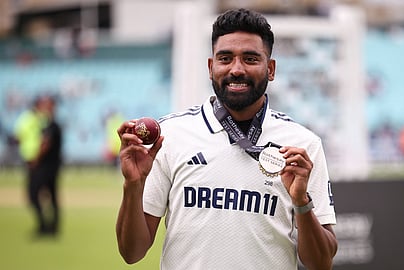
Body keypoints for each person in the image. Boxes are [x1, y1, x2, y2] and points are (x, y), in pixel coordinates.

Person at [116, 8, 337, 270]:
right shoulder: (171, 135)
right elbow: (132, 253)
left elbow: (321, 263)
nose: (236, 69)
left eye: (251, 59)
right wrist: (133, 185)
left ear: (271, 69)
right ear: (211, 67)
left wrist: (302, 202)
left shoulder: (303, 145)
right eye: (225, 58)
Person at [14, 94, 63, 236]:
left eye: (47, 104)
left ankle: (46, 226)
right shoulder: (49, 124)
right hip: (51, 166)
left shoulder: (51, 125)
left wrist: (35, 159)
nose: (45, 107)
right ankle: (51, 227)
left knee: (34, 194)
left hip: (44, 166)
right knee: (51, 196)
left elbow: (45, 144)